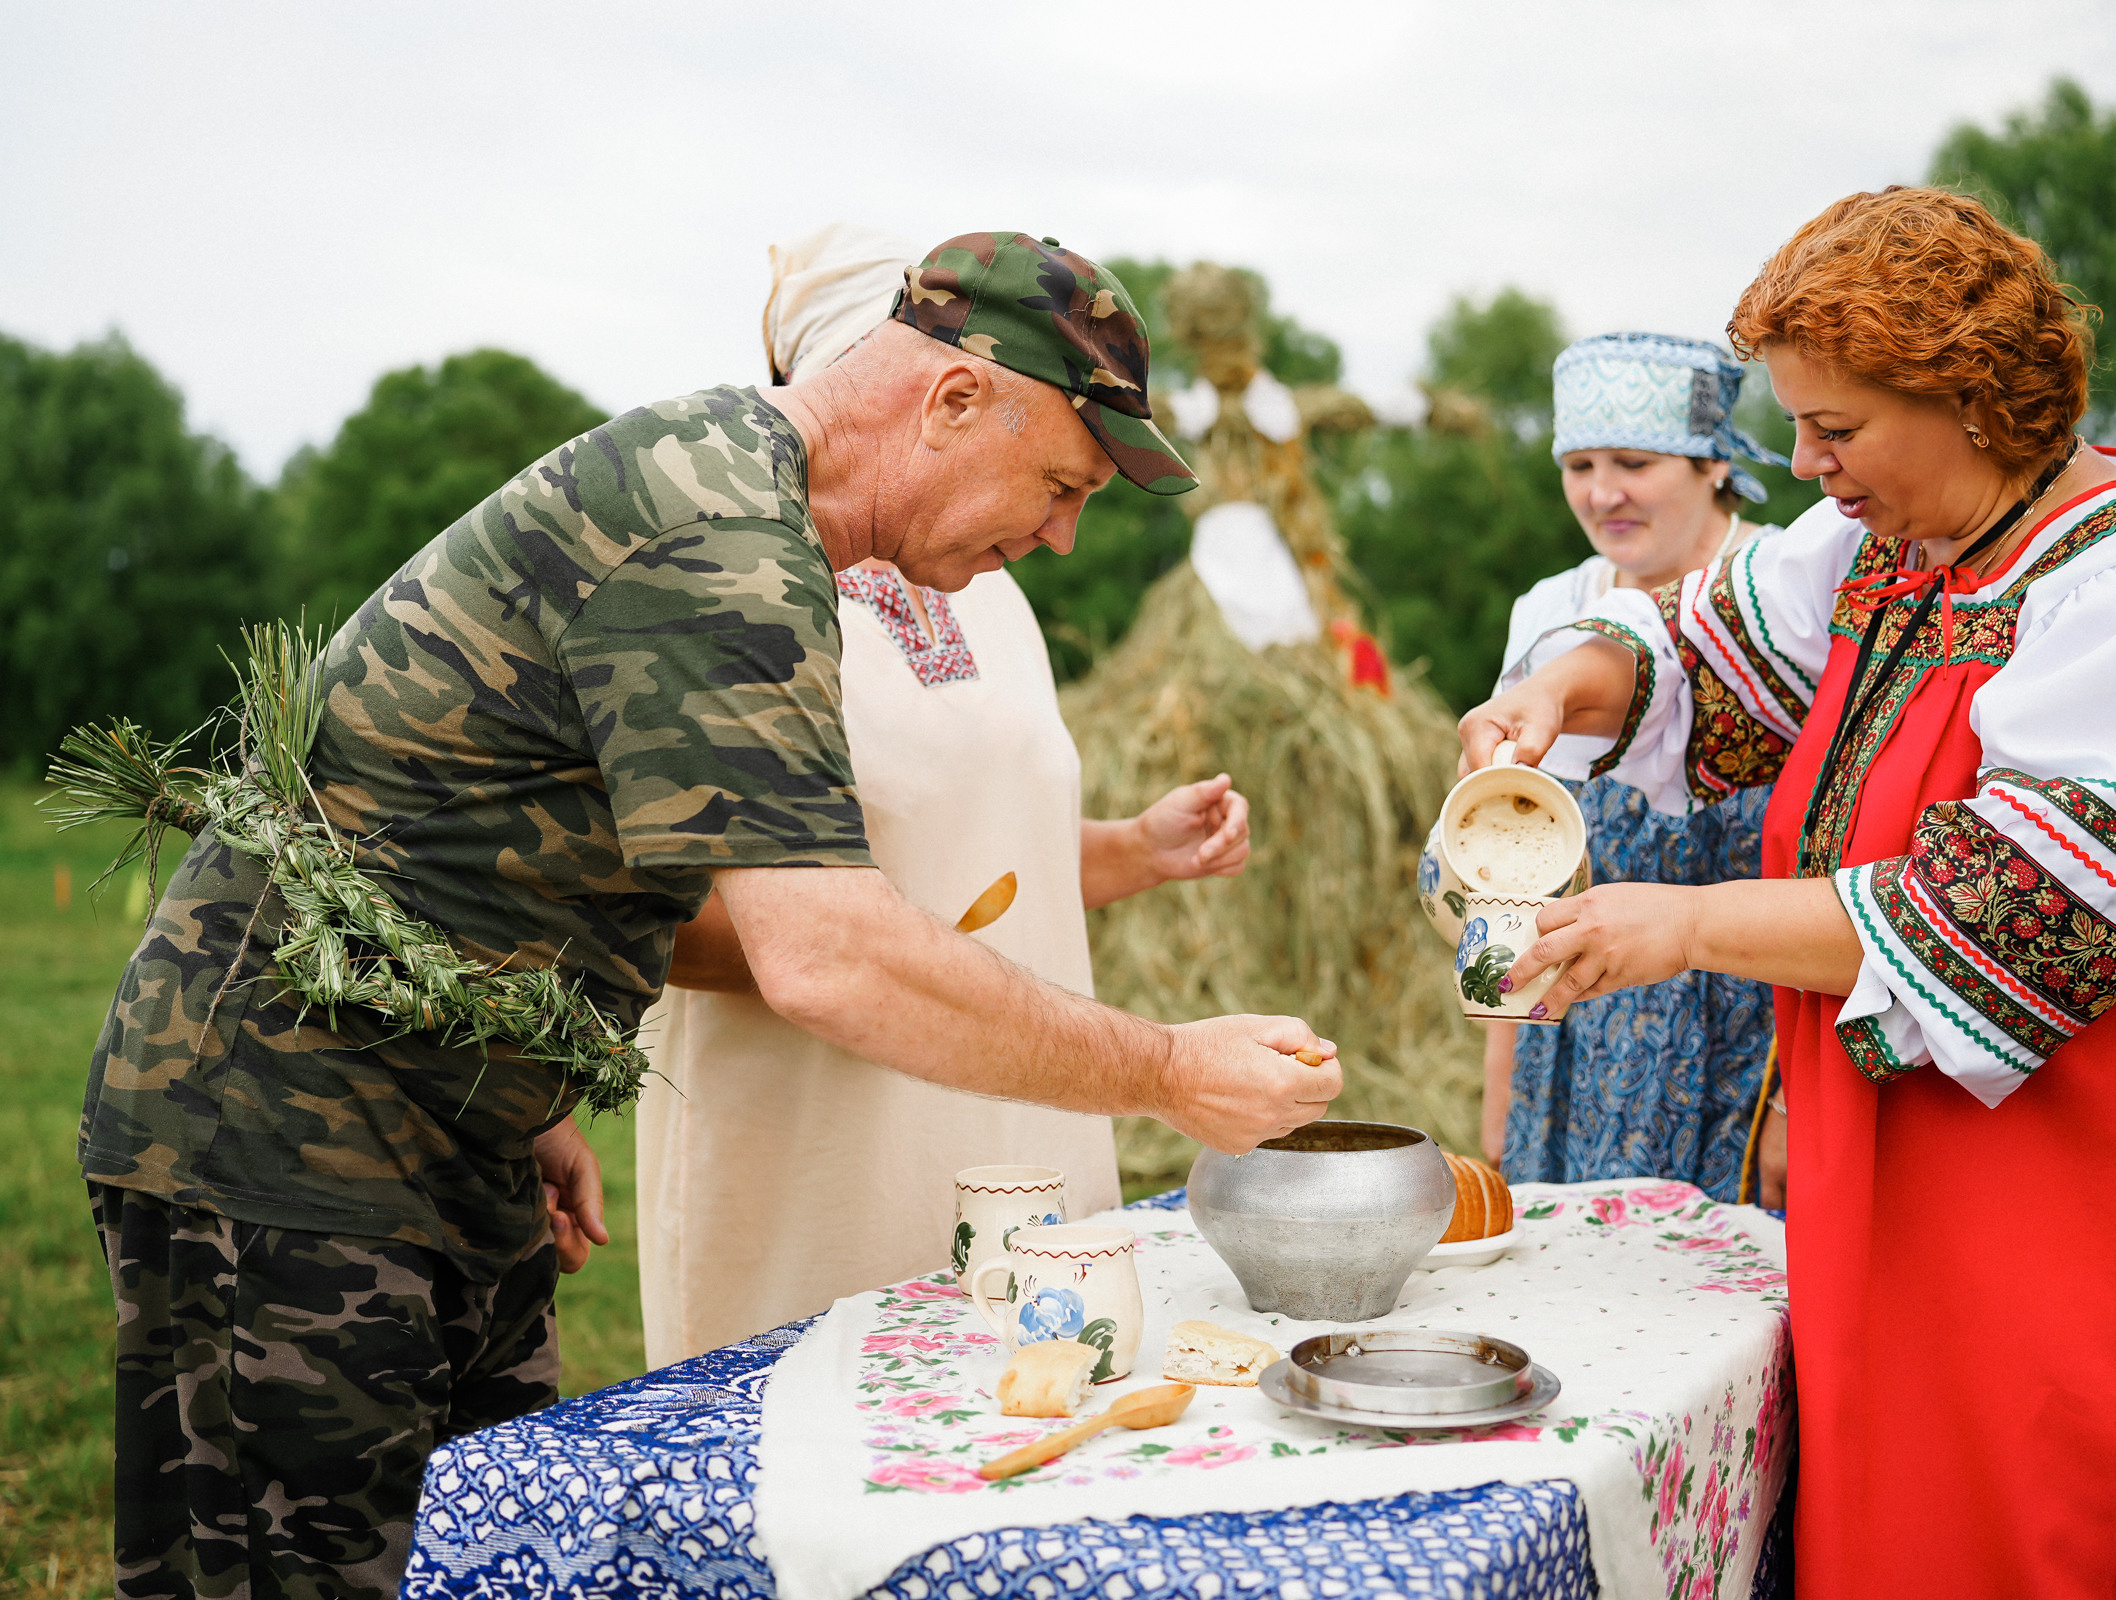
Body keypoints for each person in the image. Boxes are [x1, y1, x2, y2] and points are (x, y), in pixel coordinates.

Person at [80, 231, 1341, 1600]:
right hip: (279, 1132)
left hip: (447, 1119)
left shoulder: (765, 524)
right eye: (1060, 484)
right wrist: (1167, 1072)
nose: (1059, 533)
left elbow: (483, 829)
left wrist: (533, 1092)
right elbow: (825, 951)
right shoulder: (715, 528)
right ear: (955, 399)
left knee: (486, 1561)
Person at [1459, 188, 2116, 1593]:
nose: (1805, 462)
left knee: (2080, 1532)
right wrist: (1552, 690)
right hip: (1940, 1187)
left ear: (1975, 400)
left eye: (1837, 428)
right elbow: (1698, 655)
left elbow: (2001, 910)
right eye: (1795, 424)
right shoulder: (1888, 553)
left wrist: (1691, 926)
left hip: (2107, 1206)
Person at [636, 228, 1252, 1364]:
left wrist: (1135, 846)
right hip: (826, 1135)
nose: (1064, 532)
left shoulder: (987, 576)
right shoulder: (744, 583)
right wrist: (865, 941)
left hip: (1021, 1103)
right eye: (1059, 482)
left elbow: (983, 851)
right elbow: (667, 915)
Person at [1482, 333, 1782, 1203]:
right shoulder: (1550, 613)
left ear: (1715, 465)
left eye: (1634, 461)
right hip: (1571, 1037)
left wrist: (1801, 1102)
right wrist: (1500, 1086)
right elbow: (1502, 868)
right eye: (1578, 463)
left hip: (1745, 1043)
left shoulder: (1785, 597)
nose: (1601, 492)